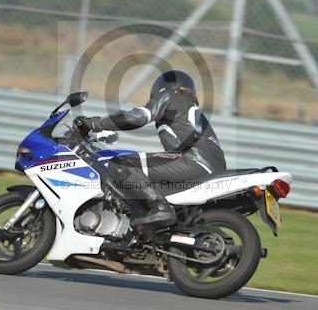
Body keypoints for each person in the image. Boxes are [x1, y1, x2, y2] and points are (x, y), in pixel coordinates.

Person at [81, 70, 226, 228]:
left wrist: (94, 123)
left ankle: (160, 207)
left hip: (194, 160)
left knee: (121, 163)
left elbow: (137, 118)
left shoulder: (172, 98)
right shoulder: (185, 108)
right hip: (209, 165)